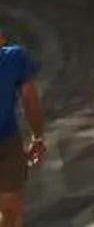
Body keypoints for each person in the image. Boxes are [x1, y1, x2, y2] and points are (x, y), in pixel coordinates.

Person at [0, 22, 40, 227]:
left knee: (12, 207)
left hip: (8, 141)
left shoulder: (14, 59)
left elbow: (29, 99)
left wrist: (38, 137)